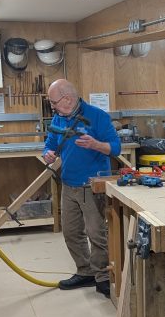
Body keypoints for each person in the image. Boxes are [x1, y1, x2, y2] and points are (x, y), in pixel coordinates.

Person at [42, 79, 121, 297]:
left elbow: (115, 148)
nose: (53, 107)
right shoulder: (59, 118)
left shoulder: (98, 117)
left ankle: (104, 277)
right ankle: (85, 271)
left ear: (67, 99)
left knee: (97, 234)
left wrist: (95, 144)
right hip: (68, 184)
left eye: (54, 102)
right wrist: (47, 154)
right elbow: (49, 143)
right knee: (71, 232)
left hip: (91, 185)